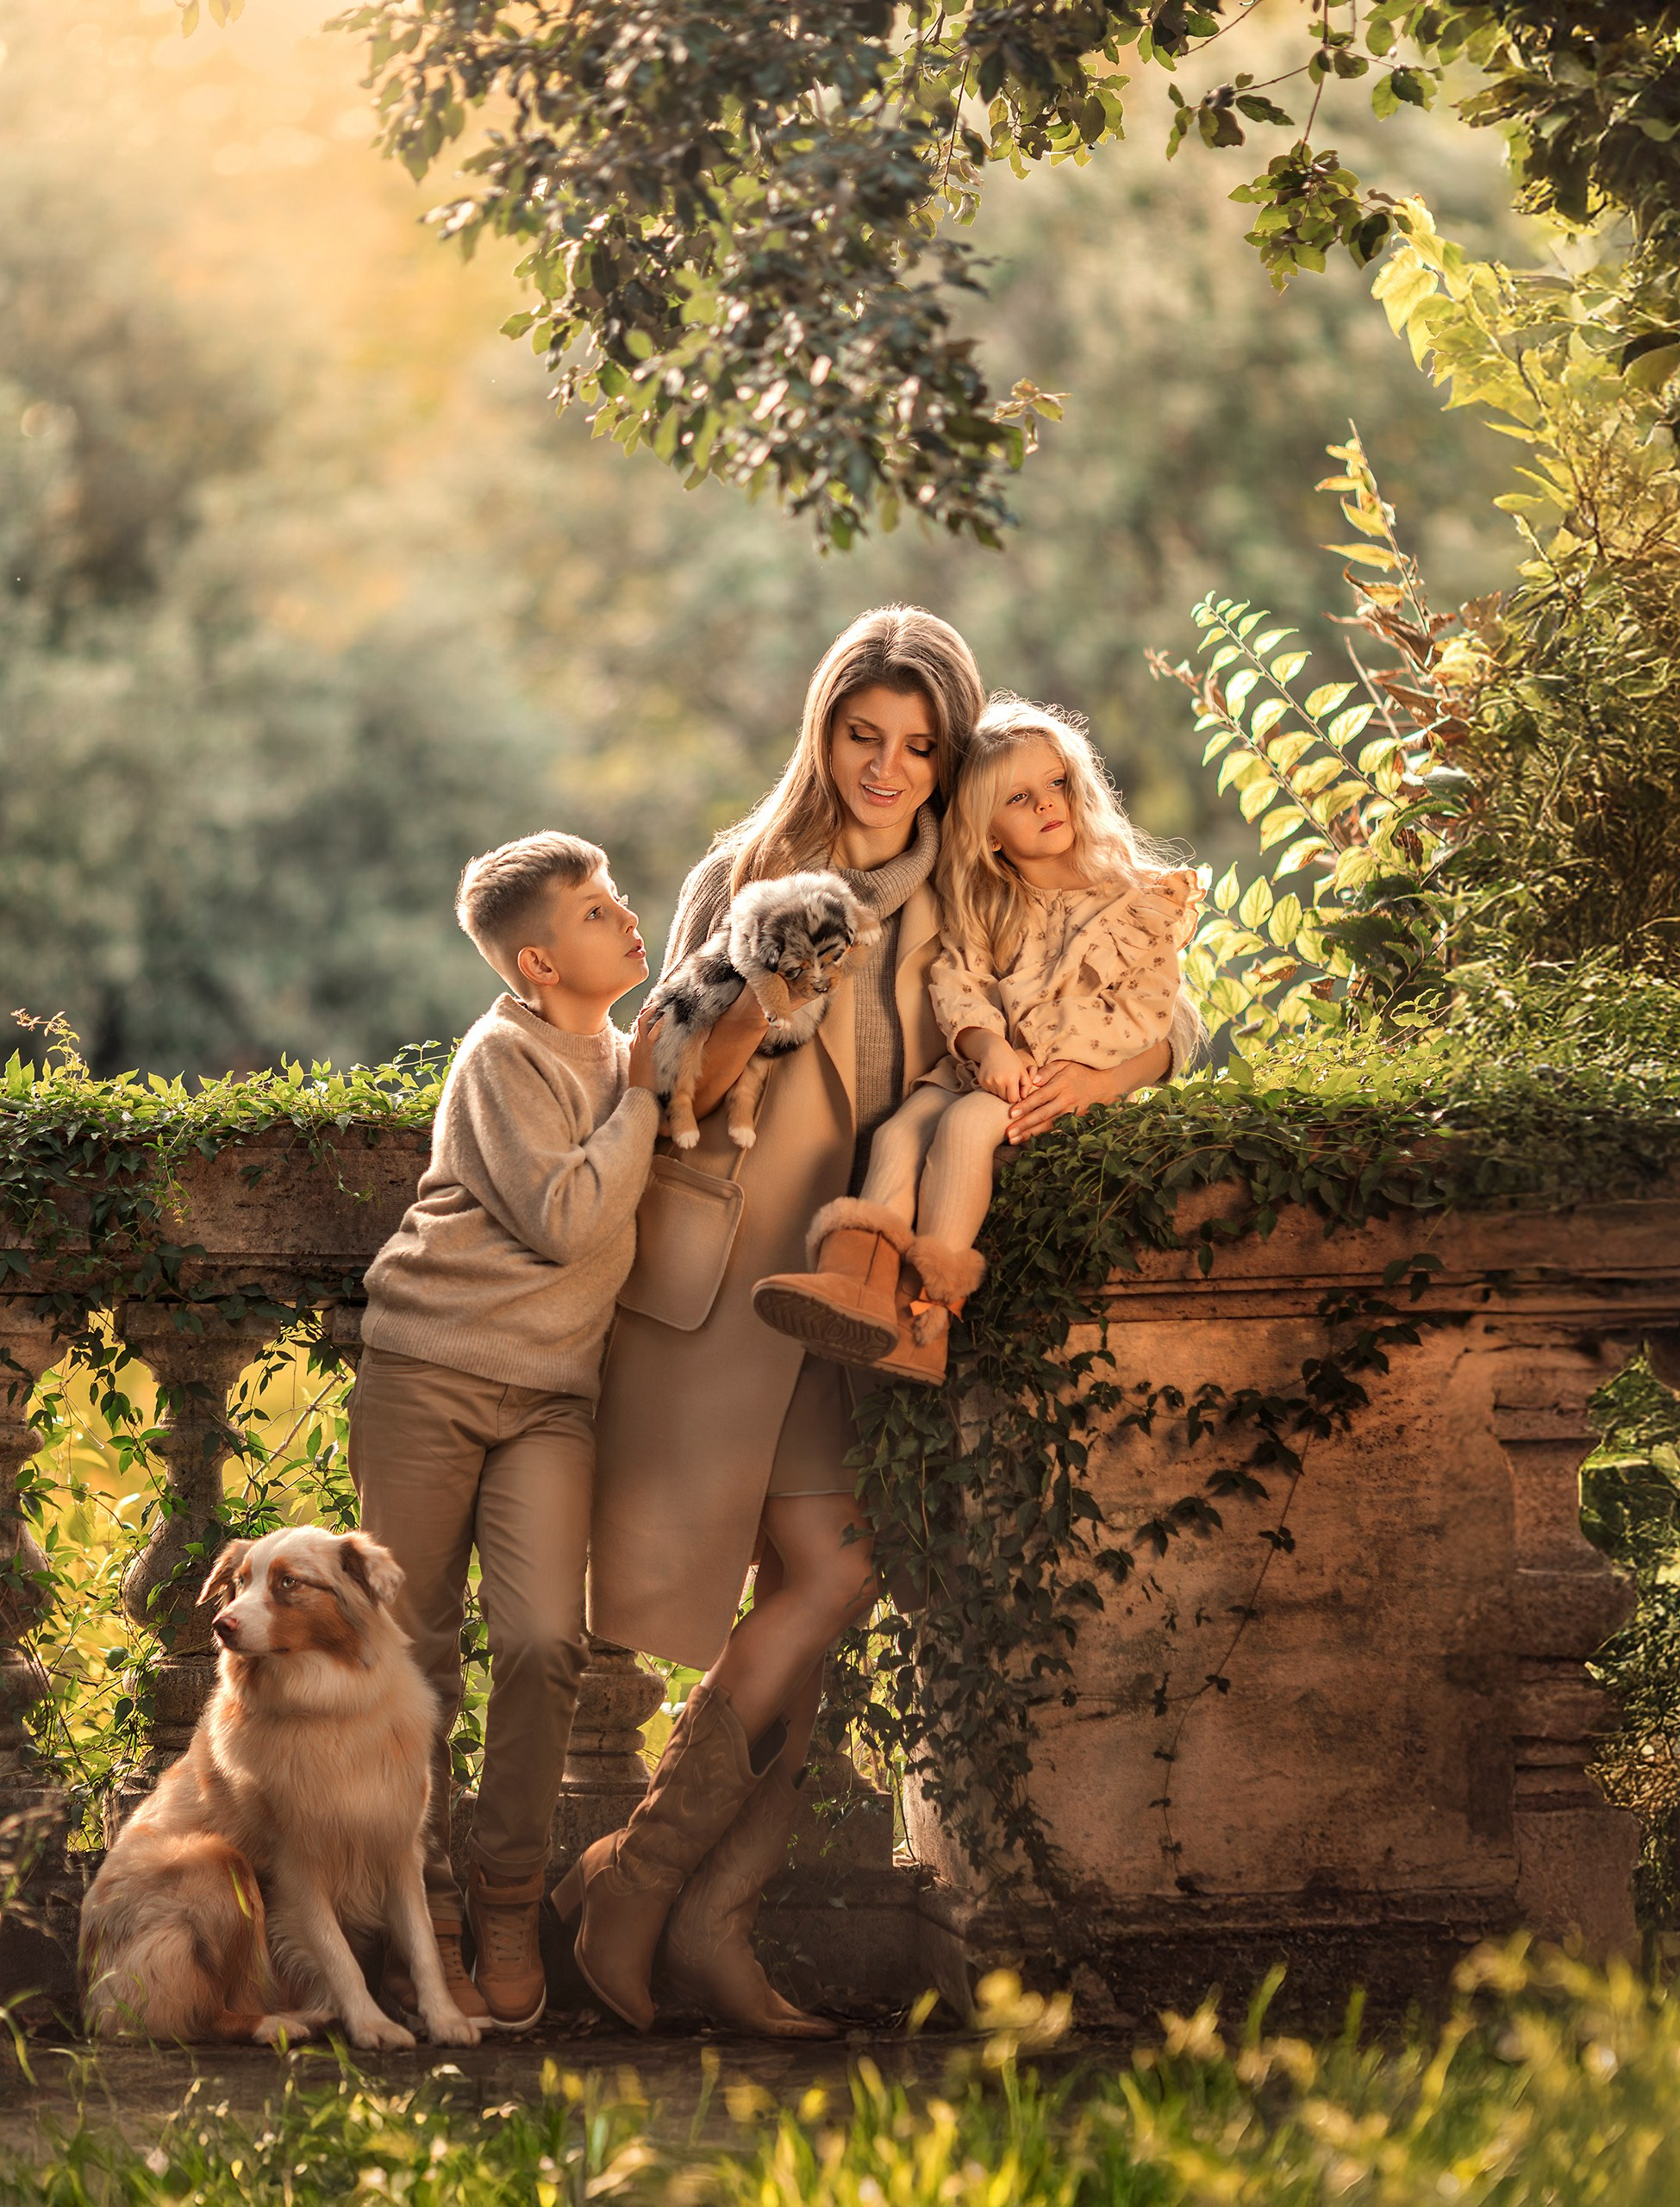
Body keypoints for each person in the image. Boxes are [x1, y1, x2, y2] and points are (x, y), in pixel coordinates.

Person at [546, 609, 1178, 2039]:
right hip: (723, 1281)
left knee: (826, 1580)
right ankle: (676, 1910)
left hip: (857, 1290)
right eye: (859, 734)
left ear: (949, 755)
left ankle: (657, 1894)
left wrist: (1112, 1072)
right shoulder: (748, 870)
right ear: (821, 731)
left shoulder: (971, 890)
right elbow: (657, 1078)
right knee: (787, 1593)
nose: (885, 767)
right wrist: (764, 999)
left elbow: (1141, 976)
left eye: (916, 744)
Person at [348, 832, 660, 2031]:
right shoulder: (504, 1054)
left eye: (617, 897)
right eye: (596, 910)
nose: (625, 917)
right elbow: (568, 1220)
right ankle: (415, 1912)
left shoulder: (635, 1053)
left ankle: (504, 1896)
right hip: (427, 1366)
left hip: (551, 1397)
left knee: (541, 1643)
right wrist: (645, 1095)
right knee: (414, 1659)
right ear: (538, 960)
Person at [755, 695, 1207, 1382]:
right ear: (990, 834)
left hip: (1060, 1082)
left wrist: (1056, 1063)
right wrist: (985, 1045)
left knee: (966, 1127)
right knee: (902, 1132)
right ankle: (856, 1284)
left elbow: (1151, 1012)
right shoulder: (989, 902)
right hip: (988, 1072)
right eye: (1019, 798)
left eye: (1057, 784)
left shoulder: (1137, 901)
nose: (1047, 804)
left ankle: (928, 1312)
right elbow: (957, 982)